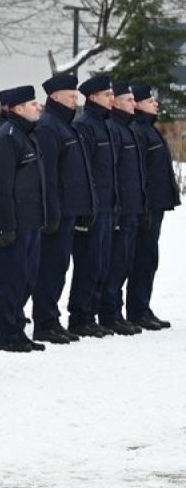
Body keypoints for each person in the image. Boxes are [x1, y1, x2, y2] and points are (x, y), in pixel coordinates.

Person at [30, 72, 92, 345]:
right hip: (57, 212)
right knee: (50, 268)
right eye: (71, 94)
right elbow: (49, 176)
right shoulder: (48, 127)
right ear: (55, 96)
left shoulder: (67, 126)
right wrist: (51, 211)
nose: (75, 99)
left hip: (69, 210)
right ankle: (44, 321)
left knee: (59, 267)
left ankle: (51, 318)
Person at [0, 87, 50, 352]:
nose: (39, 107)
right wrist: (6, 225)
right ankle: (7, 334)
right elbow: (0, 187)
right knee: (9, 280)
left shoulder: (26, 135)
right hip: (15, 223)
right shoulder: (7, 138)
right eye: (33, 104)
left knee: (26, 278)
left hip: (31, 220)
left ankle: (17, 330)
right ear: (17, 108)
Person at [69, 75, 117, 338]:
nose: (112, 98)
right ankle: (81, 315)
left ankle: (93, 312)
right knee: (88, 262)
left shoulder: (105, 124)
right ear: (94, 97)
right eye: (107, 95)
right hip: (93, 207)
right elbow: (85, 171)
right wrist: (88, 207)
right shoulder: (85, 125)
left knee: (101, 262)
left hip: (108, 206)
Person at [127, 84, 177, 329]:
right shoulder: (138, 130)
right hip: (146, 207)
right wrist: (145, 206)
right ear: (136, 104)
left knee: (149, 259)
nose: (156, 104)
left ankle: (142, 307)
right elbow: (141, 173)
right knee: (141, 259)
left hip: (155, 206)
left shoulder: (149, 129)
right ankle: (136, 310)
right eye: (150, 101)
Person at [102, 82, 146, 335]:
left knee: (125, 261)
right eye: (128, 99)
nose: (134, 103)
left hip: (131, 207)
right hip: (119, 207)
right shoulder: (115, 129)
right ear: (116, 103)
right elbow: (113, 173)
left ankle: (115, 312)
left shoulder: (127, 129)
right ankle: (110, 312)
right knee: (115, 262)